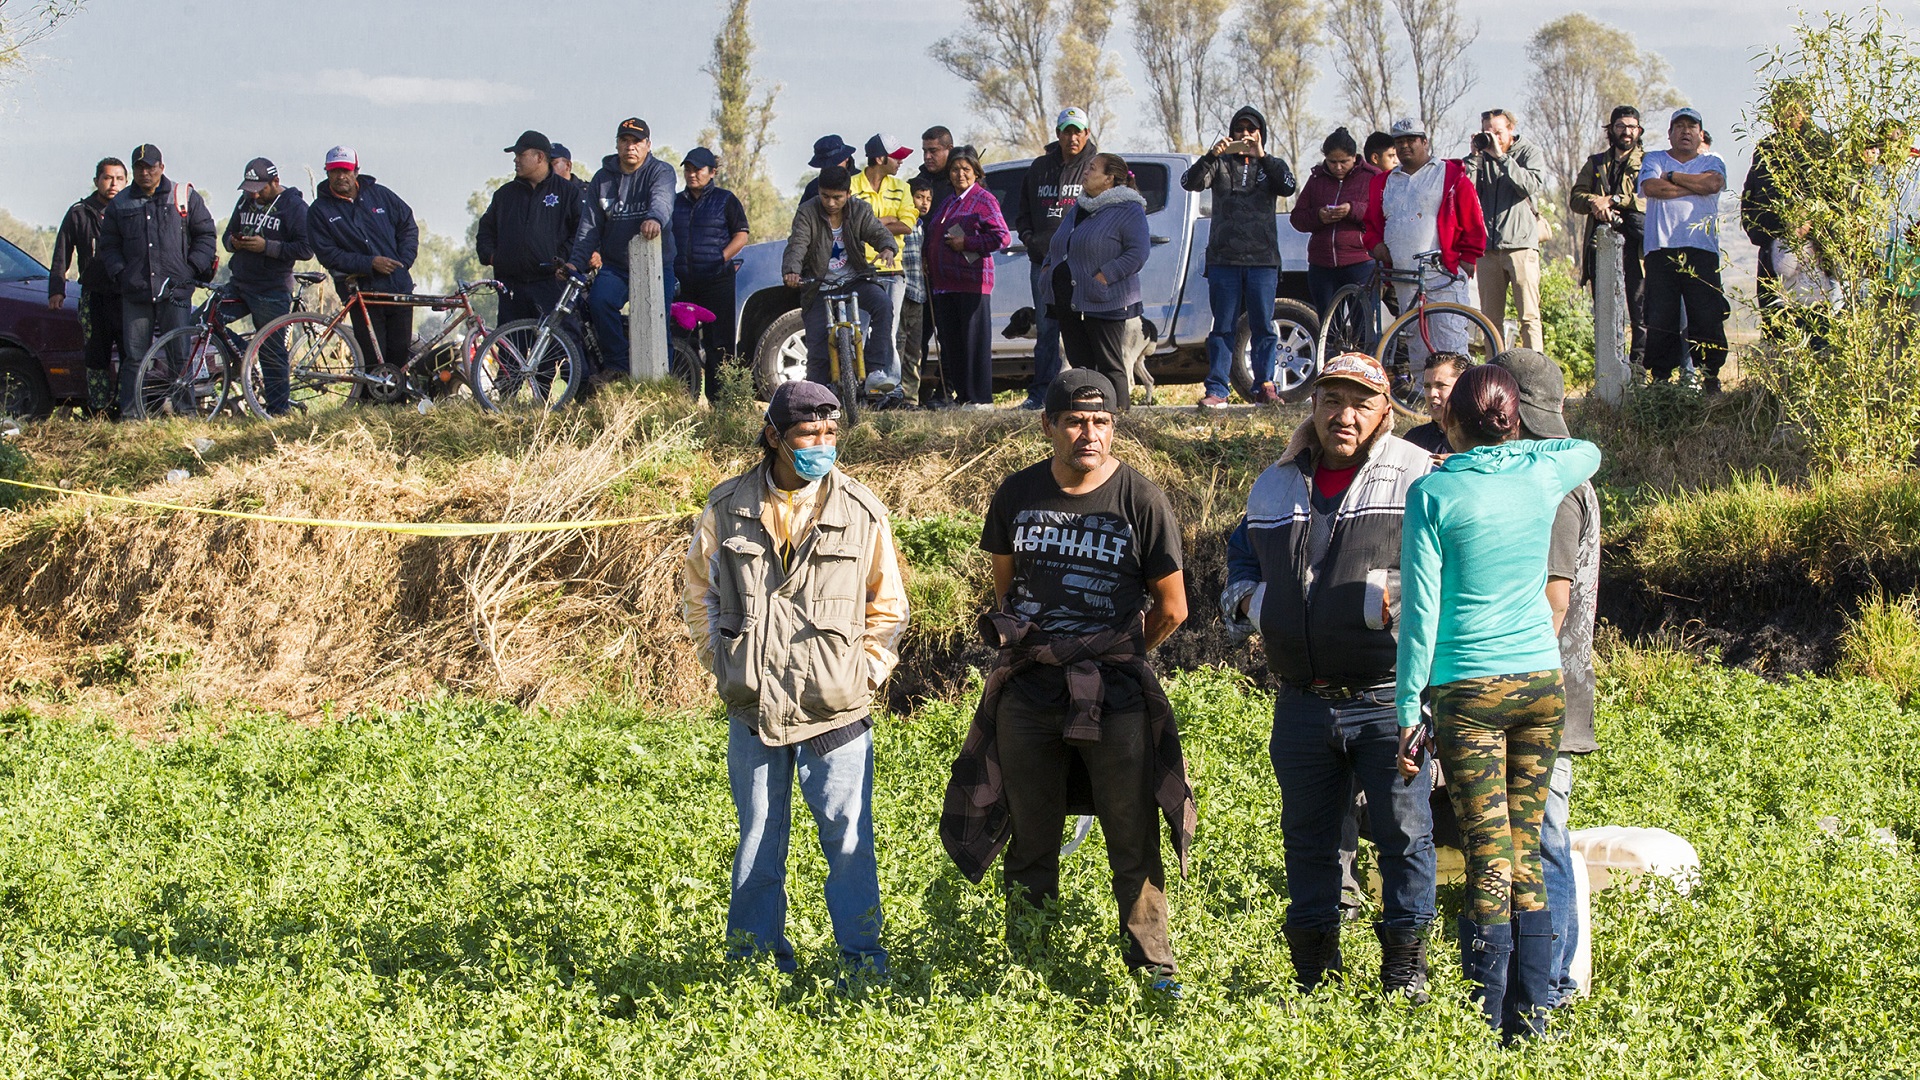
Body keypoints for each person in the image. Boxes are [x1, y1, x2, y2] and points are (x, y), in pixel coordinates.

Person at [942, 369, 1195, 996]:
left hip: (1115, 695)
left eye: (1102, 421)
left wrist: (1114, 653)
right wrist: (1049, 649)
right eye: (1076, 421)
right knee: (1031, 834)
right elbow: (1007, 589)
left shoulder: (1141, 498)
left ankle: (1153, 970)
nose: (1091, 434)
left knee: (1130, 832)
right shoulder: (1017, 494)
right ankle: (1030, 966)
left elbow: (1172, 608)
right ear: (1049, 425)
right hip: (1031, 693)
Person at [1221, 352, 1438, 1000]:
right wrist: (1251, 604)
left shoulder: (1417, 475)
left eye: (1360, 403)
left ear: (1385, 412)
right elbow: (1240, 555)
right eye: (1331, 401)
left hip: (1387, 699)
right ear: (1312, 407)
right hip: (1302, 704)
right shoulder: (1275, 483)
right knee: (1308, 842)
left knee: (1404, 834)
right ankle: (1316, 980)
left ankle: (1405, 974)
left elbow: (1453, 563)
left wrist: (1400, 595)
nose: (1344, 416)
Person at [1395, 363, 1599, 1043]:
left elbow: (1421, 614)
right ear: (1512, 419)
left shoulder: (1434, 492)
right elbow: (1586, 451)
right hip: (1541, 685)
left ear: (1449, 421)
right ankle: (1536, 1018)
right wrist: (1515, 447)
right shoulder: (1541, 475)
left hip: (1469, 692)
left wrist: (1406, 712)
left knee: (1488, 854)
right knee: (1529, 851)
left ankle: (1491, 1023)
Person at [681, 379, 907, 978]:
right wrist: (723, 660)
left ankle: (863, 964)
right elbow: (699, 592)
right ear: (774, 436)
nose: (823, 444)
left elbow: (887, 608)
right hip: (753, 706)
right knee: (757, 839)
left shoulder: (861, 511)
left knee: (849, 844)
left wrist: (863, 675)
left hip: (837, 710)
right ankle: (754, 964)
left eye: (832, 434)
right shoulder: (727, 506)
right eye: (810, 433)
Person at [1489, 348, 1601, 1014]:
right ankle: (1540, 982)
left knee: (1543, 842)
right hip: (1550, 688)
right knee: (1536, 838)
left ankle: (1551, 989)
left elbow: (1552, 602)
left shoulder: (1552, 486)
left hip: (1538, 691)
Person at [1182, 106, 1299, 408]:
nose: (1245, 135)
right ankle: (1217, 390)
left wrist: (1263, 156)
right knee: (1223, 327)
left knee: (1263, 327)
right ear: (1231, 133)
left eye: (1252, 129)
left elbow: (1288, 186)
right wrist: (1210, 155)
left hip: (1263, 261)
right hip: (1224, 261)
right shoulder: (1218, 164)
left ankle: (1266, 385)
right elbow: (1190, 182)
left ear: (1261, 134)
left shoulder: (1271, 165)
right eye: (1240, 129)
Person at [96, 143, 217, 420]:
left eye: (150, 167)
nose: (145, 172)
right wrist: (121, 273)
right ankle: (131, 416)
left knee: (180, 355)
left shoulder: (183, 197)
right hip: (136, 292)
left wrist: (191, 269)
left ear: (161, 167)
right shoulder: (121, 203)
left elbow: (206, 236)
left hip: (176, 291)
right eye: (139, 168)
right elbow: (109, 245)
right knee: (135, 357)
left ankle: (185, 413)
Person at [1364, 118, 1487, 371]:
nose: (1405, 146)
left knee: (1450, 336)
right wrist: (1375, 245)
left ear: (1424, 142)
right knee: (1415, 337)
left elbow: (1473, 219)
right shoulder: (1383, 182)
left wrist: (1467, 259)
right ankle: (1423, 396)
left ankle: (1456, 398)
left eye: (1411, 140)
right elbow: (1371, 224)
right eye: (1399, 141)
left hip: (1443, 273)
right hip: (1403, 274)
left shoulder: (1450, 175)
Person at [568, 117, 678, 379]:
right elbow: (588, 227)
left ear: (648, 145)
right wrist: (574, 262)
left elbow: (662, 200)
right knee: (599, 301)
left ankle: (664, 382)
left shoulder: (661, 171)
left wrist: (654, 219)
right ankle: (618, 367)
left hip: (656, 265)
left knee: (656, 323)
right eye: (625, 140)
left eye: (637, 141)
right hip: (616, 266)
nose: (631, 147)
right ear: (617, 144)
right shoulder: (602, 179)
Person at [1037, 153, 1149, 405]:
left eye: (1092, 168)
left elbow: (1138, 253)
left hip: (1104, 299)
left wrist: (1104, 277)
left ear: (1109, 178)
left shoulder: (1128, 209)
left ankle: (1120, 422)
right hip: (1069, 299)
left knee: (1110, 366)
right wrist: (1048, 269)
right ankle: (1089, 418)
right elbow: (1059, 243)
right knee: (1082, 366)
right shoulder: (1080, 207)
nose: (1085, 172)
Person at [780, 166, 899, 396]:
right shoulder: (807, 212)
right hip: (818, 285)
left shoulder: (860, 210)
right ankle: (816, 397)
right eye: (825, 196)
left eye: (837, 197)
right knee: (817, 349)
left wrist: (887, 248)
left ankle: (875, 371)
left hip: (855, 279)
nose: (831, 203)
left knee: (883, 304)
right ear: (819, 192)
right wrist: (792, 271)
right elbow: (797, 245)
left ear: (848, 194)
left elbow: (877, 231)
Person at [307, 146, 420, 383]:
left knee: (399, 353)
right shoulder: (319, 211)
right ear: (327, 173)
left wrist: (404, 262)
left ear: (356, 171)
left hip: (398, 287)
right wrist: (369, 263)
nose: (341, 176)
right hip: (360, 290)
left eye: (346, 170)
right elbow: (328, 255)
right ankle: (371, 404)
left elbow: (408, 225)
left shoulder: (381, 196)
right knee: (372, 356)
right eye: (335, 171)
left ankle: (397, 404)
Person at [1015, 107, 1100, 409]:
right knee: (1047, 329)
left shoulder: (1096, 166)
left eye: (1078, 131)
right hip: (1045, 263)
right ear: (1058, 133)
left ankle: (1086, 391)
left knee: (1083, 325)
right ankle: (1042, 394)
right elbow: (1022, 210)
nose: (1072, 137)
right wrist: (1028, 238)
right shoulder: (1039, 168)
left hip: (1081, 262)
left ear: (1087, 134)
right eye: (1067, 130)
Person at [1639, 107, 1728, 390]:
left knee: (1706, 315)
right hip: (1661, 249)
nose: (1685, 131)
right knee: (1660, 315)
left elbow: (1713, 183)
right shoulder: (1654, 158)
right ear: (1670, 133)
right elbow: (1653, 188)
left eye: (1692, 126)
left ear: (1701, 134)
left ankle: (1710, 378)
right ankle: (1661, 380)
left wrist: (1674, 177)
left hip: (1701, 249)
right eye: (1679, 126)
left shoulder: (1713, 160)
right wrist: (1695, 186)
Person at [223, 157, 313, 418]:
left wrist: (267, 247)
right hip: (239, 282)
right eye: (250, 188)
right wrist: (234, 242)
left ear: (275, 182)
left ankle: (278, 413)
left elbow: (306, 248)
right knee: (205, 322)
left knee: (273, 352)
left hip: (271, 288)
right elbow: (227, 235)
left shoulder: (294, 207)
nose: (255, 193)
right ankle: (246, 358)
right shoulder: (245, 201)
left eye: (260, 188)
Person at [924, 146, 1010, 410]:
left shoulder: (984, 199)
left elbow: (1001, 236)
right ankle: (962, 397)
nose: (959, 174)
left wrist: (968, 242)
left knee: (974, 343)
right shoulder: (950, 201)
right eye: (954, 169)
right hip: (945, 286)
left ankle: (980, 398)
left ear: (976, 173)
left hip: (972, 283)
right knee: (954, 344)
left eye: (965, 169)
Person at [1741, 81, 1827, 339]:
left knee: (1818, 337)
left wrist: (1811, 221)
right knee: (1779, 335)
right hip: (1774, 254)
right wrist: (1780, 226)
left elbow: (1837, 201)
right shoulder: (1766, 150)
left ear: (1805, 111)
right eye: (1778, 110)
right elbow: (1750, 201)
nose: (1783, 116)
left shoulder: (1824, 146)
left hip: (1817, 260)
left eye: (1790, 109)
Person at [48, 156, 128, 416]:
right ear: (97, 181)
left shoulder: (133, 210)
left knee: (131, 354)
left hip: (127, 295)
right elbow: (62, 252)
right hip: (94, 294)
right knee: (96, 355)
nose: (113, 184)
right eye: (107, 178)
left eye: (118, 179)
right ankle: (98, 410)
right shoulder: (79, 212)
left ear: (126, 182)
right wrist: (56, 290)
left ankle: (128, 409)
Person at [1570, 106, 1648, 371]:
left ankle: (1638, 371)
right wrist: (1596, 203)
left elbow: (1648, 200)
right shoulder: (1595, 163)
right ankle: (1608, 371)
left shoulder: (1649, 162)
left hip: (1637, 248)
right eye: (1620, 126)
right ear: (1611, 130)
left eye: (1632, 127)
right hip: (1601, 245)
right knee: (1605, 311)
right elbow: (1576, 198)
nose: (1626, 132)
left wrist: (1614, 200)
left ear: (1639, 131)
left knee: (1640, 312)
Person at [671, 146, 751, 400]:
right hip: (683, 284)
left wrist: (720, 257)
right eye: (688, 169)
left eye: (699, 169)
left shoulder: (726, 199)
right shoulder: (674, 202)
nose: (692, 174)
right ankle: (685, 398)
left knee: (719, 345)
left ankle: (720, 402)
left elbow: (741, 235)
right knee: (683, 343)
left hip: (717, 282)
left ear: (712, 172)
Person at [477, 131, 581, 325]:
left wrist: (562, 259)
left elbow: (581, 233)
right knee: (511, 350)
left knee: (560, 347)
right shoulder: (504, 195)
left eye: (520, 155)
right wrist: (493, 257)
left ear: (539, 157)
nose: (515, 160)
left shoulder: (568, 193)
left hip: (551, 286)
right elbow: (485, 231)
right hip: (512, 288)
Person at [1469, 109, 1549, 352]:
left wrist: (1502, 158)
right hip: (1488, 250)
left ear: (1511, 129)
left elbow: (1529, 185)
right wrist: (1474, 158)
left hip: (1521, 246)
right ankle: (1494, 372)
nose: (1493, 137)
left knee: (1529, 316)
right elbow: (1467, 193)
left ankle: (1536, 374)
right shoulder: (1481, 157)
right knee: (1490, 320)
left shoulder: (1529, 152)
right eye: (1487, 132)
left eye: (1498, 132)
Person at [852, 134, 920, 409]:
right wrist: (886, 220)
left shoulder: (902, 187)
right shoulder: (851, 184)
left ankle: (889, 392)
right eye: (897, 156)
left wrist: (869, 224)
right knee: (859, 331)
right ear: (879, 159)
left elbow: (907, 224)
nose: (901, 161)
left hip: (893, 270)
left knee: (888, 331)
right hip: (859, 269)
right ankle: (859, 388)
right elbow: (849, 223)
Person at [1291, 127, 1382, 320]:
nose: (1338, 167)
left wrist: (1353, 210)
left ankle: (1363, 351)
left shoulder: (1372, 176)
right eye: (1332, 162)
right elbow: (1297, 217)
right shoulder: (1316, 179)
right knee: (1328, 324)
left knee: (1363, 324)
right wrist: (1319, 217)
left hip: (1360, 262)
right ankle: (1331, 351)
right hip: (1321, 264)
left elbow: (1381, 213)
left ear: (1354, 157)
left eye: (1344, 162)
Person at [897, 176, 937, 408]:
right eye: (919, 197)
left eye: (928, 199)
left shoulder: (922, 227)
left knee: (915, 348)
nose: (924, 203)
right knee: (898, 344)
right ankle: (896, 395)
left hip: (919, 294)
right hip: (902, 291)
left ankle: (910, 398)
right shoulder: (902, 224)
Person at [1400, 352, 1467, 457]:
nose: (1431, 394)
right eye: (1427, 386)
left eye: (1441, 385)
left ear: (1462, 387)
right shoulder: (1414, 439)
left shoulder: (1478, 440)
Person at [801, 135, 858, 204]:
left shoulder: (863, 181)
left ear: (846, 158)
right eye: (826, 166)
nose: (832, 168)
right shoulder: (813, 188)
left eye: (835, 163)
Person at [916, 126, 957, 218]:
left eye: (933, 151)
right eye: (925, 151)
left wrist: (952, 231)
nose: (927, 156)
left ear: (950, 149)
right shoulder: (917, 182)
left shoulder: (962, 181)